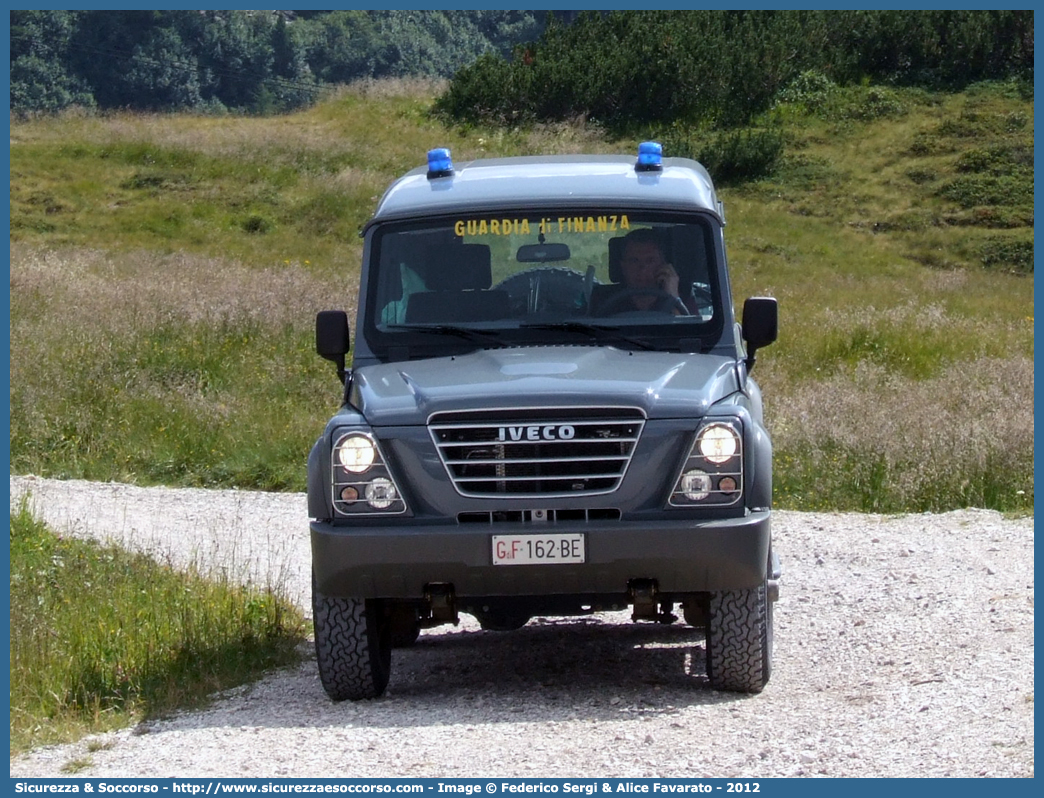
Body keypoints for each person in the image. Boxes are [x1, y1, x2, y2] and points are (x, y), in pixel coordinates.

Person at [592, 228, 693, 315]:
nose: (642, 269)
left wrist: (673, 298)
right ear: (623, 266)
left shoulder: (683, 293)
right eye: (634, 261)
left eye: (650, 261)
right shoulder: (602, 298)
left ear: (663, 265)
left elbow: (692, 334)